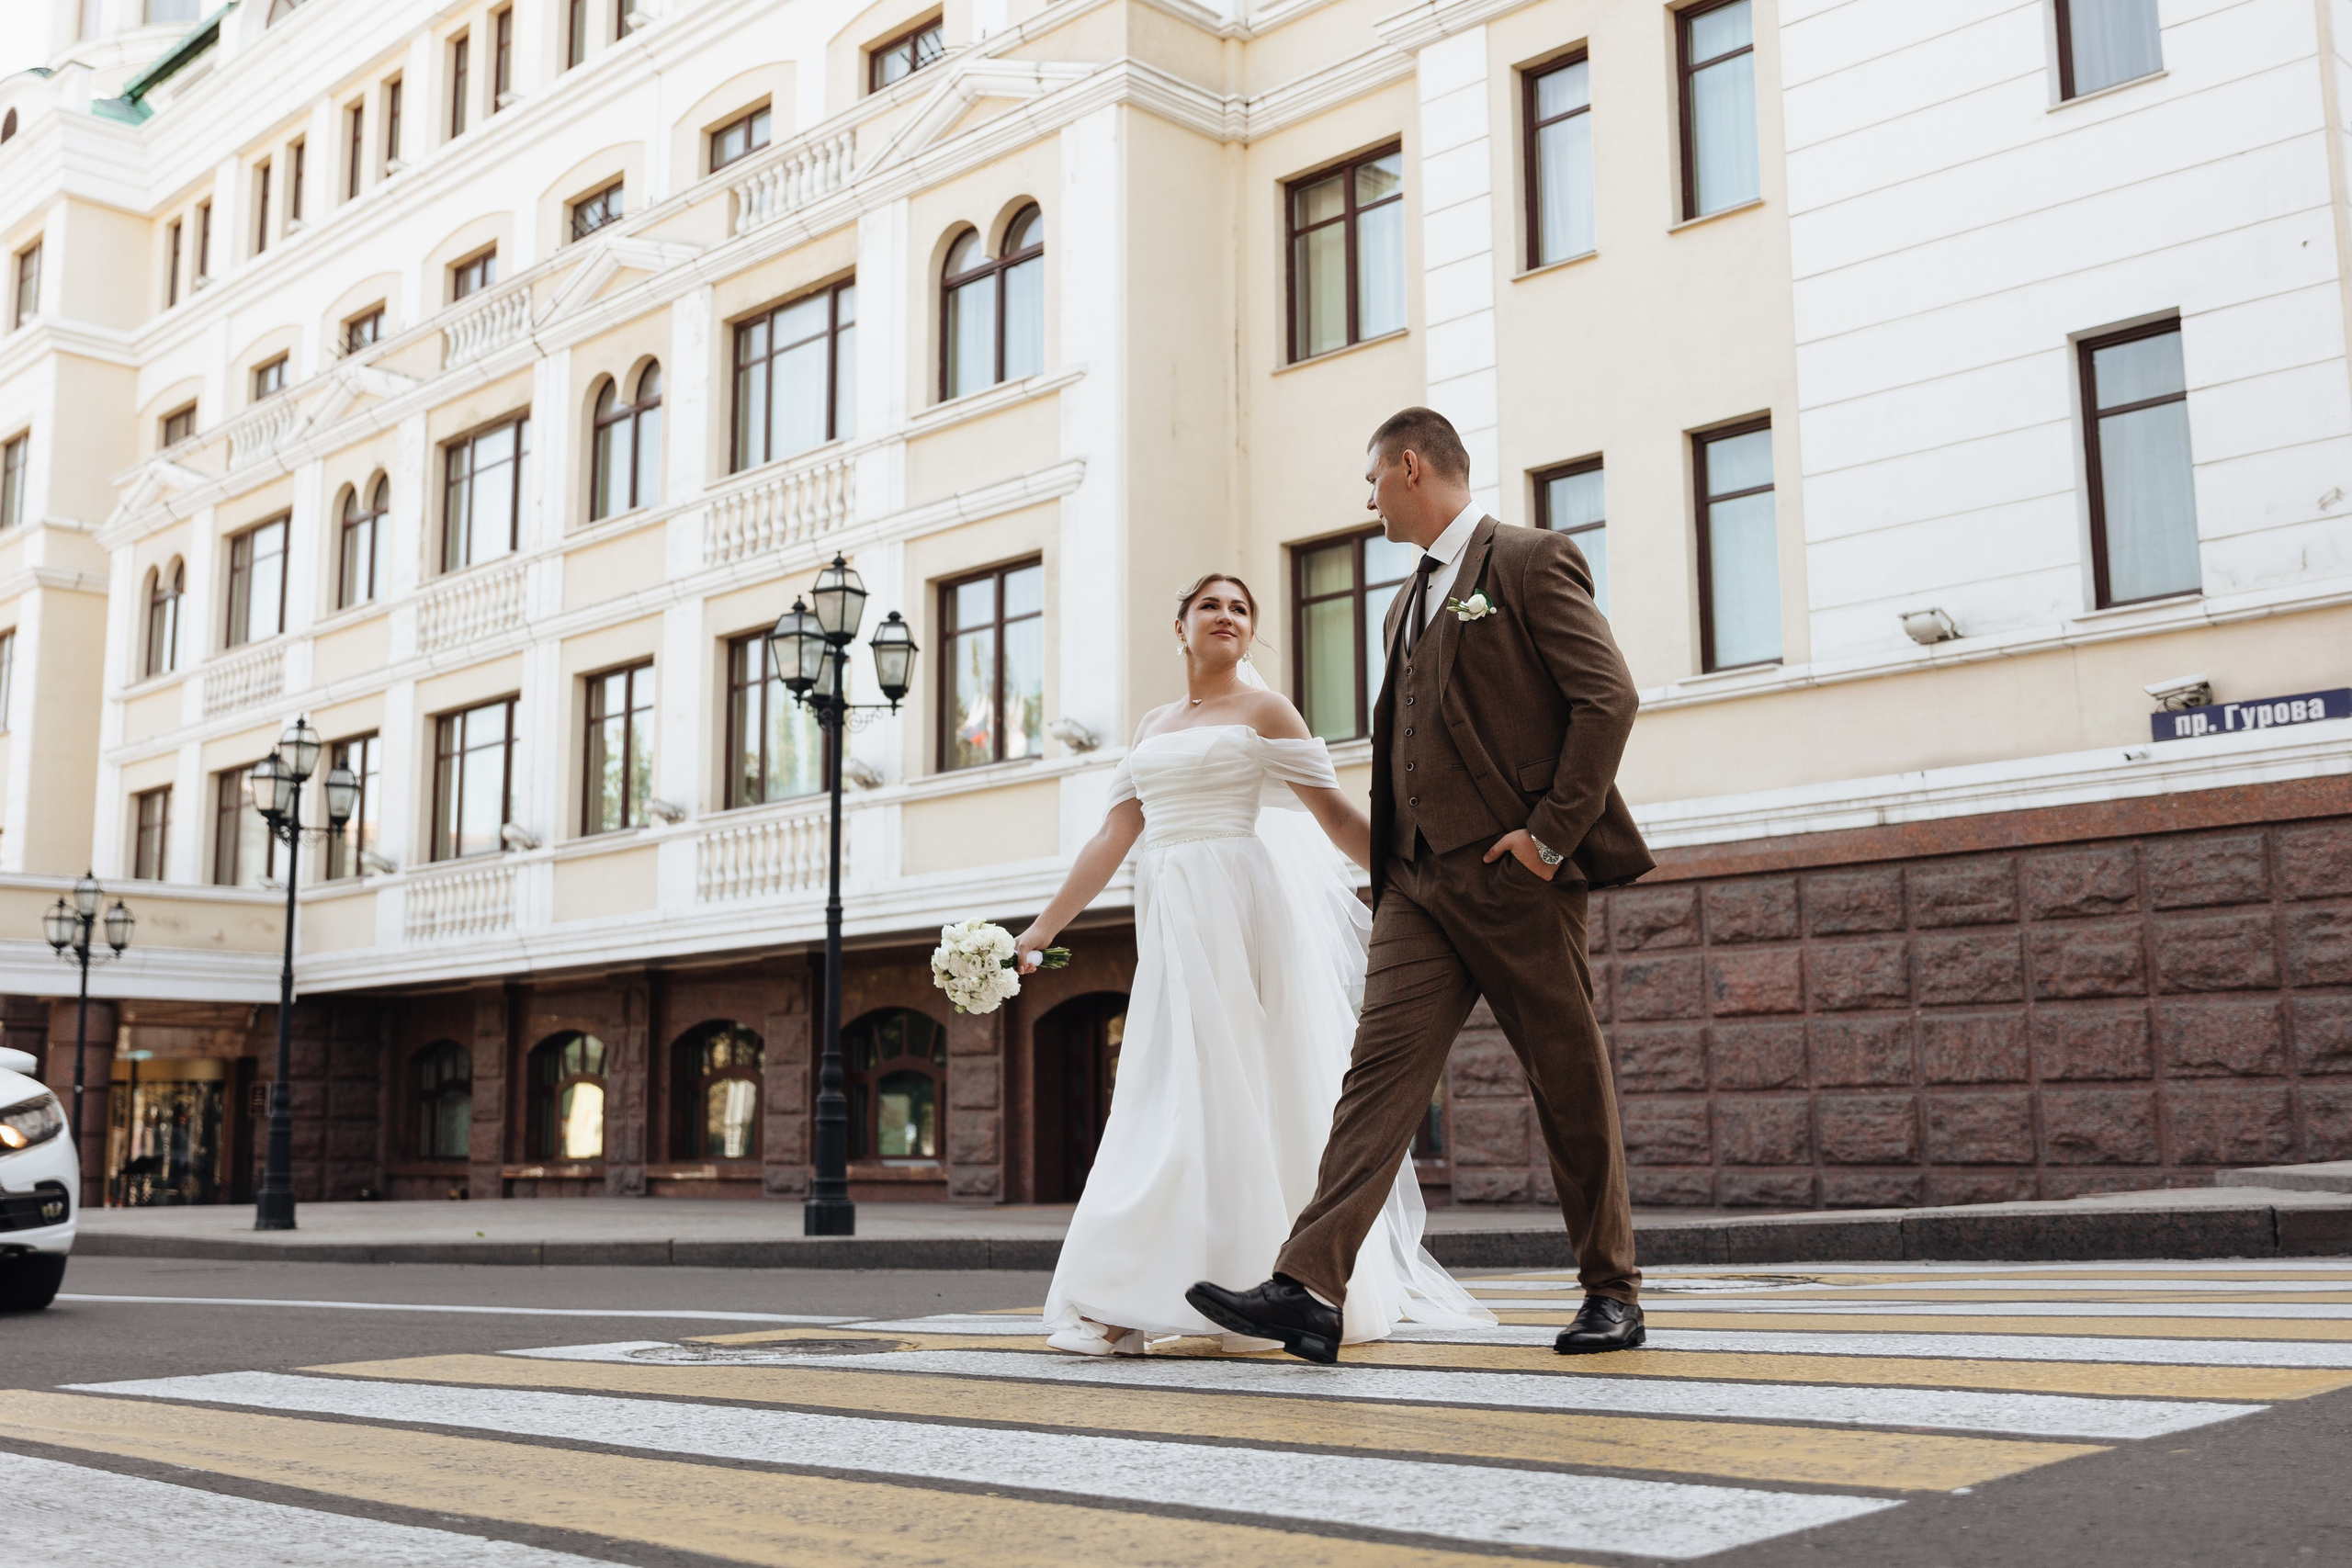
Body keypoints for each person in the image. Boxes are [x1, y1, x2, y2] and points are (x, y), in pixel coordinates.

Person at [1187, 406, 1654, 1363]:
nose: (1365, 499)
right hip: (1414, 885)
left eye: (1371, 480)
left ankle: (1612, 1292)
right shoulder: (1405, 601)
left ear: (1409, 467)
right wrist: (1388, 871)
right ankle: (1308, 1286)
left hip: (1513, 877)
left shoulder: (1526, 560)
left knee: (1566, 1078)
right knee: (1375, 1084)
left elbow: (1607, 697)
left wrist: (1548, 837)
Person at [1012, 572, 1494, 1355]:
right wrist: (1036, 931)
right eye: (1211, 605)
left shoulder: (1267, 710)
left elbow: (1334, 813)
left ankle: (1183, 1293)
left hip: (1239, 911)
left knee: (1225, 1092)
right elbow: (1111, 840)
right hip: (1171, 923)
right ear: (1180, 625)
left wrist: (1423, 873)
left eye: (1241, 608)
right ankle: (1151, 1288)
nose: (1228, 617)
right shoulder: (1151, 725)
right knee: (1163, 1091)